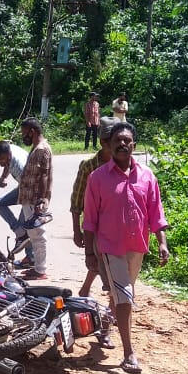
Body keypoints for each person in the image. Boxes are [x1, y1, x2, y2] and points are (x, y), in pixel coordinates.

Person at [82, 122, 170, 374]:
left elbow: (156, 214)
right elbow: (89, 220)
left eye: (127, 141)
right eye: (117, 141)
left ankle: (105, 325)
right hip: (109, 247)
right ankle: (129, 353)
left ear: (134, 145)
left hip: (137, 247)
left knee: (121, 295)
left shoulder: (147, 176)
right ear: (109, 145)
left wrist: (162, 243)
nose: (122, 144)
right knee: (126, 298)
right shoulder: (97, 178)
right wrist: (90, 253)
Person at [71, 119, 116, 297]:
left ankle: (86, 289)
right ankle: (113, 305)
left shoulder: (124, 164)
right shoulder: (89, 166)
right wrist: (76, 230)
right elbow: (76, 200)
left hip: (117, 225)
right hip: (96, 225)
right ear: (103, 142)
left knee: (105, 260)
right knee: (102, 259)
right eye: (113, 141)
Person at [15, 117, 53, 280]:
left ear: (33, 131)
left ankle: (40, 270)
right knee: (33, 235)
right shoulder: (36, 147)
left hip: (34, 200)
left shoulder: (41, 149)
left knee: (38, 235)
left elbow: (44, 175)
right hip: (28, 199)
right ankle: (36, 266)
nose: (24, 136)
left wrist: (41, 199)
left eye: (25, 133)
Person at [0, 139, 33, 264]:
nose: (0, 163)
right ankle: (21, 234)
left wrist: (27, 209)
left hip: (30, 191)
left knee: (25, 224)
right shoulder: (8, 150)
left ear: (8, 155)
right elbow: (7, 165)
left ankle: (31, 257)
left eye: (2, 160)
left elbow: (28, 187)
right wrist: (3, 178)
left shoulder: (19, 165)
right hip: (23, 186)